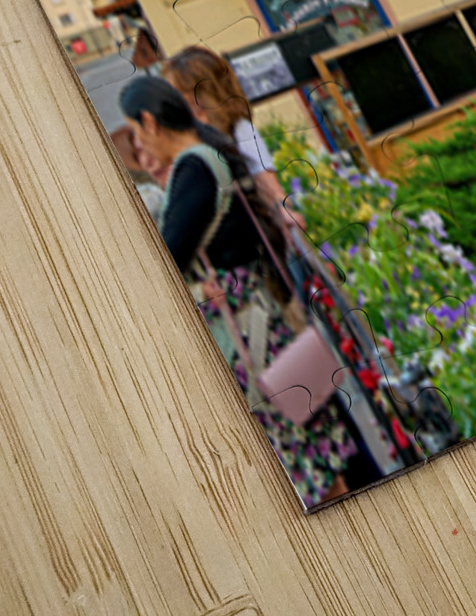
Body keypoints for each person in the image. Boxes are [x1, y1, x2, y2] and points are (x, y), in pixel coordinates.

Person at [119, 75, 363, 506]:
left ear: (149, 122)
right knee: (325, 467)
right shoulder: (215, 148)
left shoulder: (194, 168)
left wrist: (193, 289)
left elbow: (163, 263)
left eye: (137, 133)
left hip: (249, 341)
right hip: (273, 325)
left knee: (306, 478)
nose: (141, 145)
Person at [160, 46, 307, 241]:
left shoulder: (238, 130)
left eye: (179, 95)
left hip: (245, 240)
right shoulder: (181, 139)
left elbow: (263, 177)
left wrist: (282, 210)